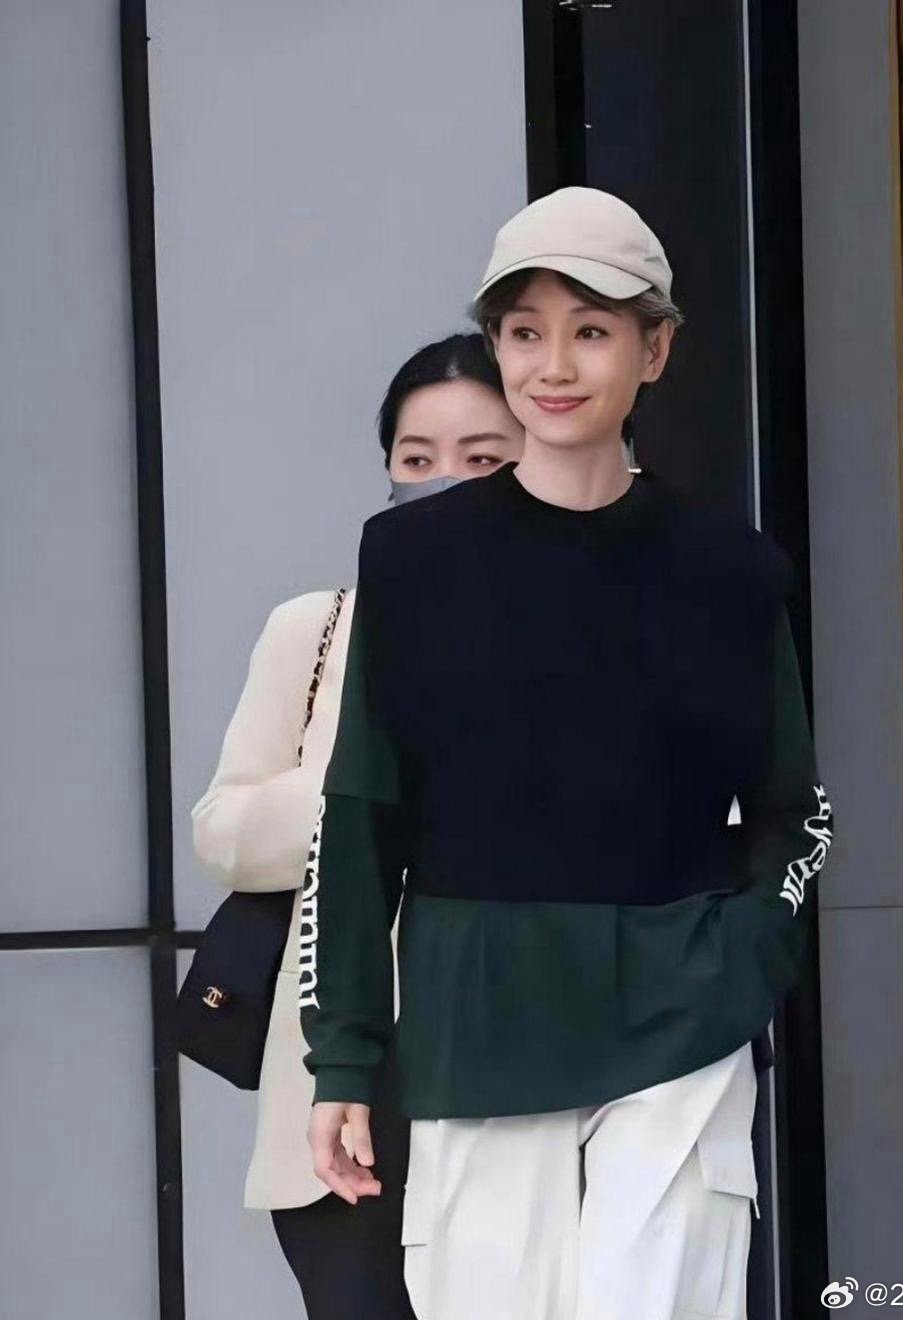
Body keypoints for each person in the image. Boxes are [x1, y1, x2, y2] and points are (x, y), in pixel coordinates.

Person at [301, 188, 835, 1320]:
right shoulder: (412, 561)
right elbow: (361, 812)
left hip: (681, 1016)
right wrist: (342, 1056)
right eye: (524, 331)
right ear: (497, 346)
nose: (553, 364)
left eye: (591, 330)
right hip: (476, 1018)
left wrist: (750, 954)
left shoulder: (731, 573)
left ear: (657, 350)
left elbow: (795, 806)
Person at [190, 332, 524, 1320]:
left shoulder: (597, 637)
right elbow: (225, 832)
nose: (443, 482)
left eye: (482, 458)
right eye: (417, 458)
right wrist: (368, 780)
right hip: (348, 1096)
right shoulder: (318, 629)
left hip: (528, 1077)